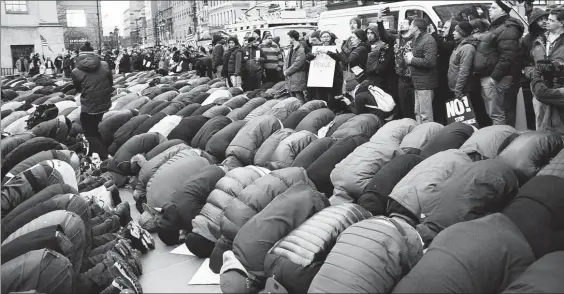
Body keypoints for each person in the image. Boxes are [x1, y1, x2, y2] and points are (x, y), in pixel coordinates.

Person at [473, 0, 524, 125]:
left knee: (498, 114)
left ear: (502, 10)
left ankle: (501, 139)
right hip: (491, 76)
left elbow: (507, 55)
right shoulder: (497, 26)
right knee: (494, 113)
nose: (490, 10)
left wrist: (494, 77)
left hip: (497, 78)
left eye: (494, 8)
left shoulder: (508, 27)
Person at [71, 41, 113, 160]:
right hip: (105, 103)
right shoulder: (104, 64)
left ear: (80, 55)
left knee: (90, 132)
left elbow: (78, 89)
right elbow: (110, 83)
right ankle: (101, 151)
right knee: (96, 129)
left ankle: (103, 156)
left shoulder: (76, 71)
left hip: (89, 106)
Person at [379, 18, 415, 119]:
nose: (401, 25)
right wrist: (379, 21)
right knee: (404, 106)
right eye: (400, 23)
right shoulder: (396, 38)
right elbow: (384, 35)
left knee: (415, 107)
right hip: (401, 78)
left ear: (411, 25)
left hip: (414, 78)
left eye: (404, 23)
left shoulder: (415, 38)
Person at [519, 8, 549, 130]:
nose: (544, 22)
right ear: (533, 22)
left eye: (545, 19)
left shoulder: (550, 35)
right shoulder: (528, 39)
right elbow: (523, 59)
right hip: (534, 77)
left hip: (547, 77)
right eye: (540, 20)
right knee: (536, 109)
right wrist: (530, 72)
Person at [404, 18, 438, 123]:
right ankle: (419, 135)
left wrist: (412, 59)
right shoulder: (417, 38)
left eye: (411, 25)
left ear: (415, 28)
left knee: (425, 115)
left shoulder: (428, 40)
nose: (409, 27)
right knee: (417, 112)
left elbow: (430, 62)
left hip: (425, 83)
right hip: (418, 82)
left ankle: (428, 136)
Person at [448, 22, 479, 103]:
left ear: (462, 33)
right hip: (457, 88)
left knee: (468, 115)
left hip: (464, 90)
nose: (453, 32)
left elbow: (464, 70)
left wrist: (458, 89)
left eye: (456, 31)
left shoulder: (467, 48)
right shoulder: (459, 45)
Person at [284, 30, 307, 101]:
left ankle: (302, 109)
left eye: (289, 38)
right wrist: (285, 70)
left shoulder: (300, 48)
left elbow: (298, 63)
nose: (288, 40)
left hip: (297, 75)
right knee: (292, 95)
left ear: (292, 38)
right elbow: (286, 60)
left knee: (298, 94)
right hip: (291, 75)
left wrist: (287, 71)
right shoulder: (291, 48)